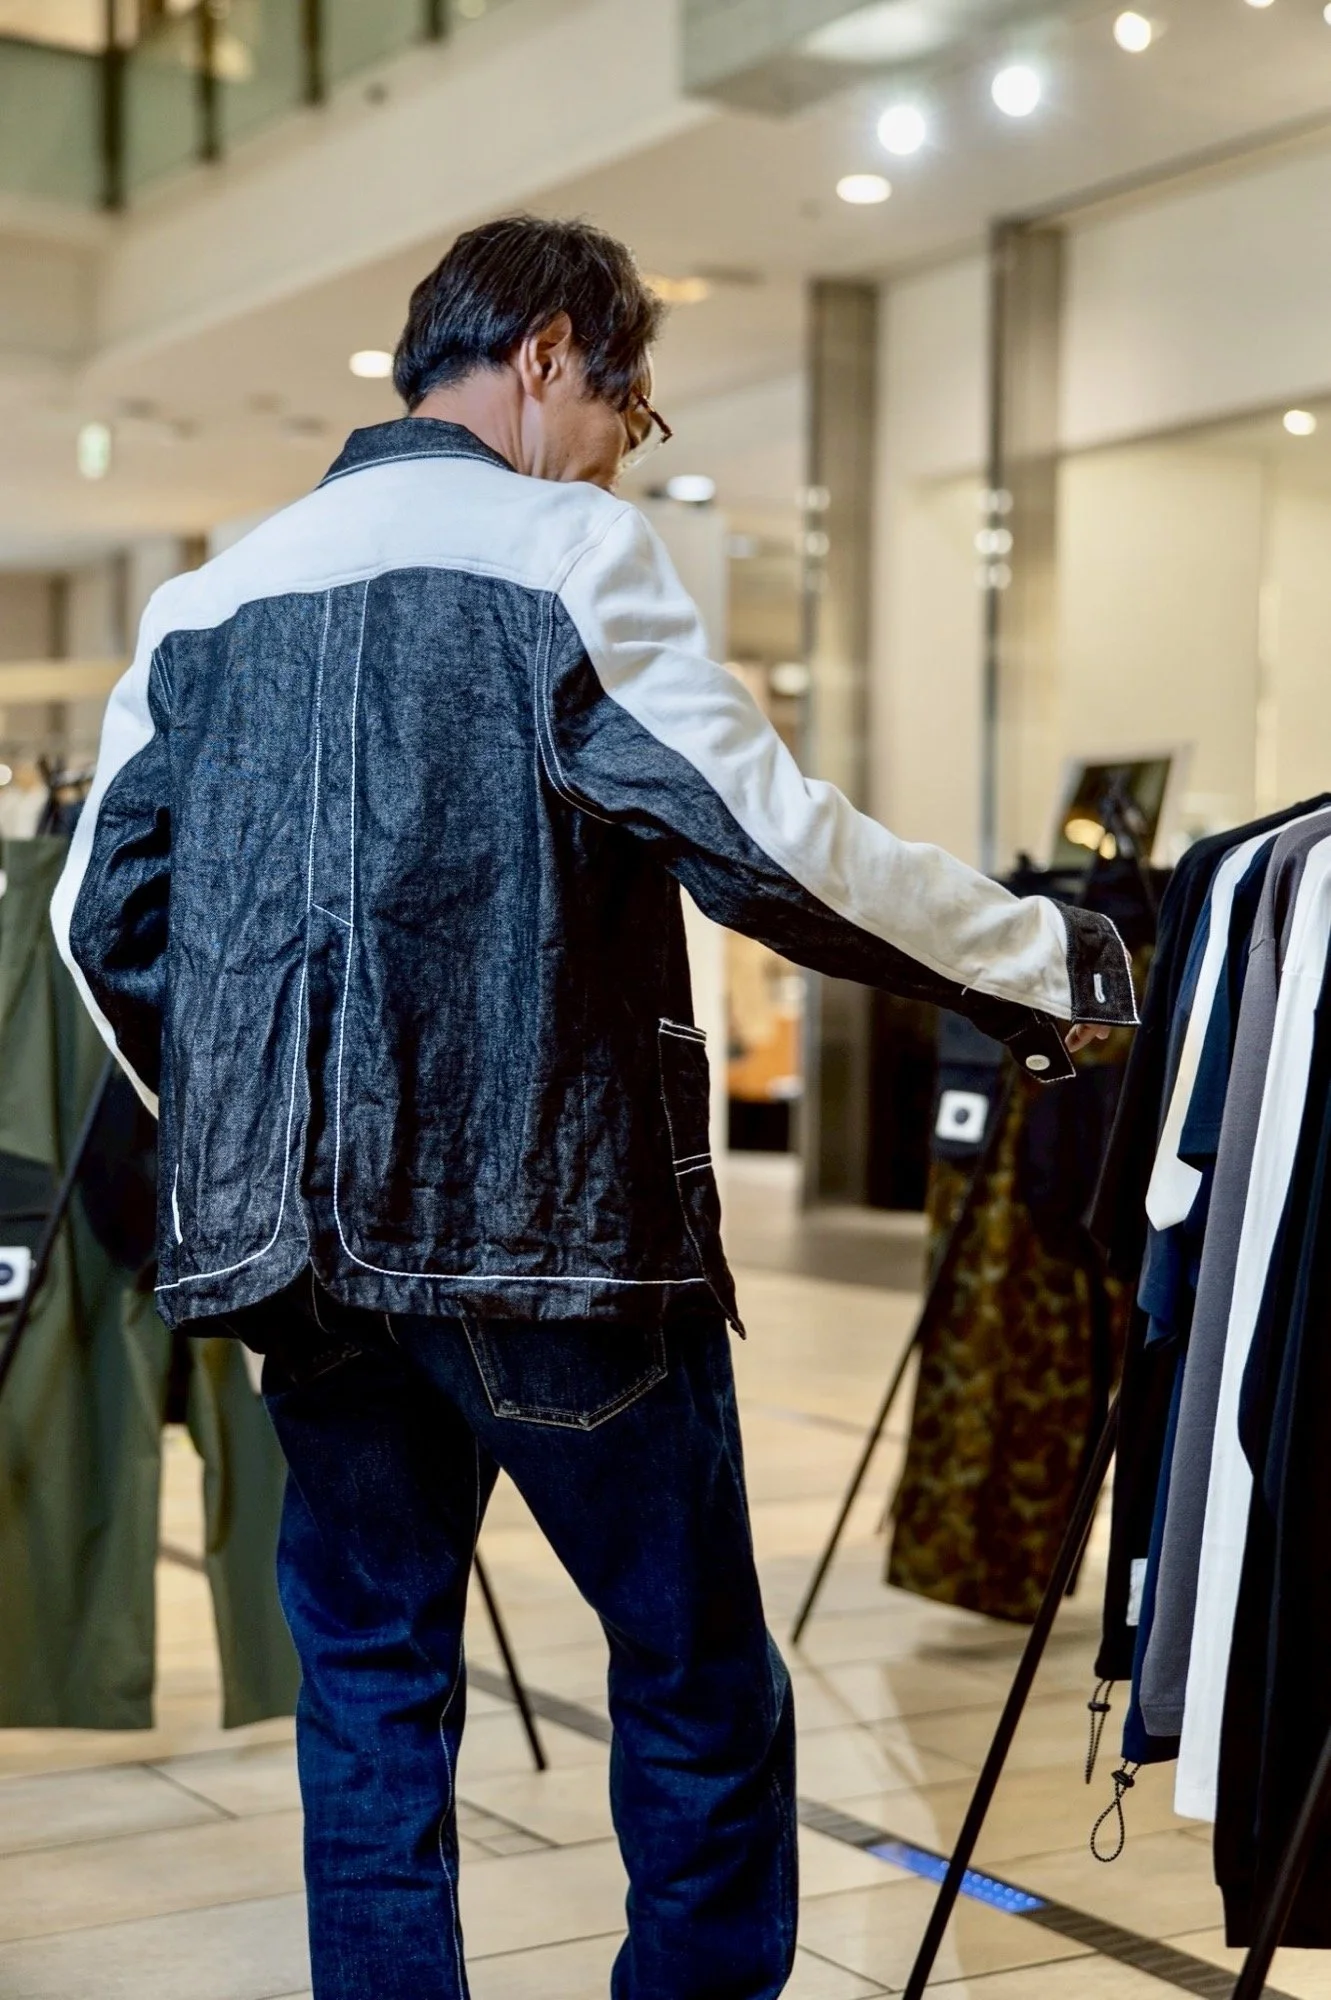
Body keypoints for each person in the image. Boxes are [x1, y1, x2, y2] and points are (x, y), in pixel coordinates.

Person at [52, 215, 1135, 2000]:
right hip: (555, 1235)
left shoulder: (208, 600)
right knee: (694, 1684)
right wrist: (1045, 963)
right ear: (550, 353)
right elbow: (766, 840)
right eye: (631, 408)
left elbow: (103, 928)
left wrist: (257, 1143)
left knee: (371, 1693)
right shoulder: (562, 551)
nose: (626, 448)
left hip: (300, 1269)